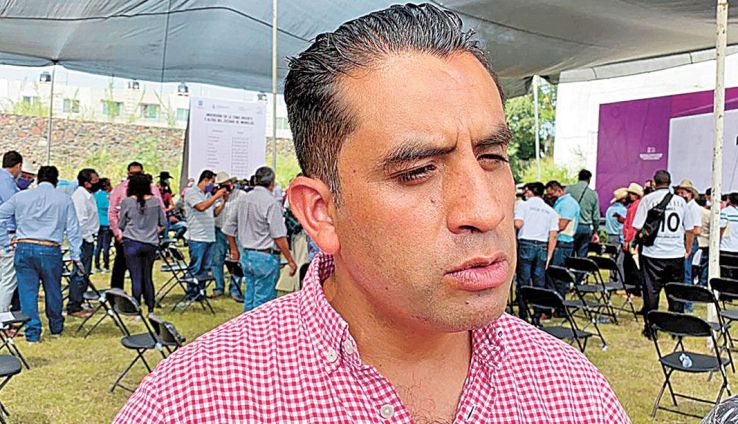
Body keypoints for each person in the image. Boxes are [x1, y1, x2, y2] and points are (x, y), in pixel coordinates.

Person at [115, 5, 627, 422]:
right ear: (320, 213)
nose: (486, 209)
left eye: (492, 157)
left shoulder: (574, 392)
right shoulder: (198, 403)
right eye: (418, 171)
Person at [0, 166, 82, 342]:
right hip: (50, 247)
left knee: (27, 292)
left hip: (24, 246)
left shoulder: (21, 196)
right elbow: (73, 229)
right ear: (56, 180)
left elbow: (1, 215)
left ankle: (32, 331)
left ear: (37, 179)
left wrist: (5, 241)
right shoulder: (64, 199)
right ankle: (56, 326)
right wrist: (76, 255)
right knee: (53, 289)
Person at [633, 170, 696, 339]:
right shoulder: (681, 202)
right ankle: (676, 328)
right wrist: (688, 249)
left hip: (653, 253)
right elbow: (690, 229)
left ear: (654, 183)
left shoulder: (648, 200)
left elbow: (637, 226)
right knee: (675, 292)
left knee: (651, 292)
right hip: (675, 253)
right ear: (670, 183)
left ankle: (651, 328)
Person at [224, 166, 297, 311]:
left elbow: (228, 228)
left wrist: (234, 249)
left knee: (250, 297)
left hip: (247, 254)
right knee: (263, 302)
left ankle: (247, 323)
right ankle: (257, 325)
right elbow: (278, 235)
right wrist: (290, 259)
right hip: (265, 256)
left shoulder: (243, 199)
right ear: (272, 183)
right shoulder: (271, 203)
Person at [108, 162, 164, 290]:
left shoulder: (153, 189)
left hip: (147, 236)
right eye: (132, 174)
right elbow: (112, 212)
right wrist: (118, 233)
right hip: (127, 235)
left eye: (138, 173)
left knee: (145, 272)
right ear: (128, 174)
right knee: (120, 266)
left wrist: (154, 231)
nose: (135, 176)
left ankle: (145, 295)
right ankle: (116, 293)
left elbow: (161, 212)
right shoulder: (120, 189)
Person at [119, 174, 166, 313]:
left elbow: (121, 224)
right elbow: (163, 223)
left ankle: (136, 306)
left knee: (135, 276)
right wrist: (153, 231)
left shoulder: (127, 202)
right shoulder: (155, 202)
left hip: (132, 242)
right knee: (148, 276)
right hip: (150, 242)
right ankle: (151, 307)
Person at [513, 182, 558, 319]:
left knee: (523, 280)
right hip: (542, 245)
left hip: (526, 243)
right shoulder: (550, 211)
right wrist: (549, 255)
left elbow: (518, 224)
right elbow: (553, 235)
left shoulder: (523, 205)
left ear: (530, 192)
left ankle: (523, 313)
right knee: (539, 282)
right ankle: (537, 314)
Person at [183, 170, 226, 297]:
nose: (213, 185)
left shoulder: (207, 195)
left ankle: (200, 292)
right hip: (197, 237)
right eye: (212, 182)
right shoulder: (192, 193)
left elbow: (215, 213)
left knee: (205, 268)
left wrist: (223, 201)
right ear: (205, 180)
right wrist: (216, 196)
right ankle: (191, 292)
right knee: (195, 267)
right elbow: (201, 207)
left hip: (209, 236)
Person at [68, 168, 100, 318]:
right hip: (82, 240)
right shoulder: (80, 197)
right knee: (79, 274)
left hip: (88, 238)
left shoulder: (89, 196)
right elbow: (80, 222)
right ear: (87, 183)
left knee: (85, 273)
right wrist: (87, 238)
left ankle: (80, 301)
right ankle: (74, 306)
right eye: (95, 180)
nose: (98, 182)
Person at [211, 171, 243, 301]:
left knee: (236, 261)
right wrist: (223, 200)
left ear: (232, 183)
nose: (224, 187)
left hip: (236, 232)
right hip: (220, 230)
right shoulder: (216, 196)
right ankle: (219, 287)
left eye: (226, 184)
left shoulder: (242, 196)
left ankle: (235, 289)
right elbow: (215, 213)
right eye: (221, 185)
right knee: (217, 260)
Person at [0, 151, 22, 312]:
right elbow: (13, 206)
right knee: (8, 279)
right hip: (7, 233)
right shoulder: (7, 181)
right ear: (18, 166)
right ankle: (2, 316)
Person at [566, 169, 601, 257]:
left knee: (569, 253)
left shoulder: (568, 190)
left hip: (570, 225)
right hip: (585, 227)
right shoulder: (593, 194)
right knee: (582, 255)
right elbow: (596, 217)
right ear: (589, 179)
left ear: (578, 177)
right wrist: (595, 231)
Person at [674, 179, 702, 290]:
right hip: (683, 240)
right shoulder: (683, 207)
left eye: (683, 193)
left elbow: (697, 230)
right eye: (679, 193)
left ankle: (687, 296)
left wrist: (684, 232)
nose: (680, 195)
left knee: (686, 269)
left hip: (689, 241)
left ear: (690, 194)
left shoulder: (693, 208)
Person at [93, 178, 113, 273]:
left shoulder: (96, 195)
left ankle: (97, 265)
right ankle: (106, 265)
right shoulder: (109, 196)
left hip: (98, 222)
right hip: (107, 223)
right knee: (106, 246)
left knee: (98, 246)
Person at [720, 192, 738, 268]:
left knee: (725, 270)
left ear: (729, 200)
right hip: (736, 248)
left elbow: (721, 227)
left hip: (726, 247)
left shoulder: (725, 212)